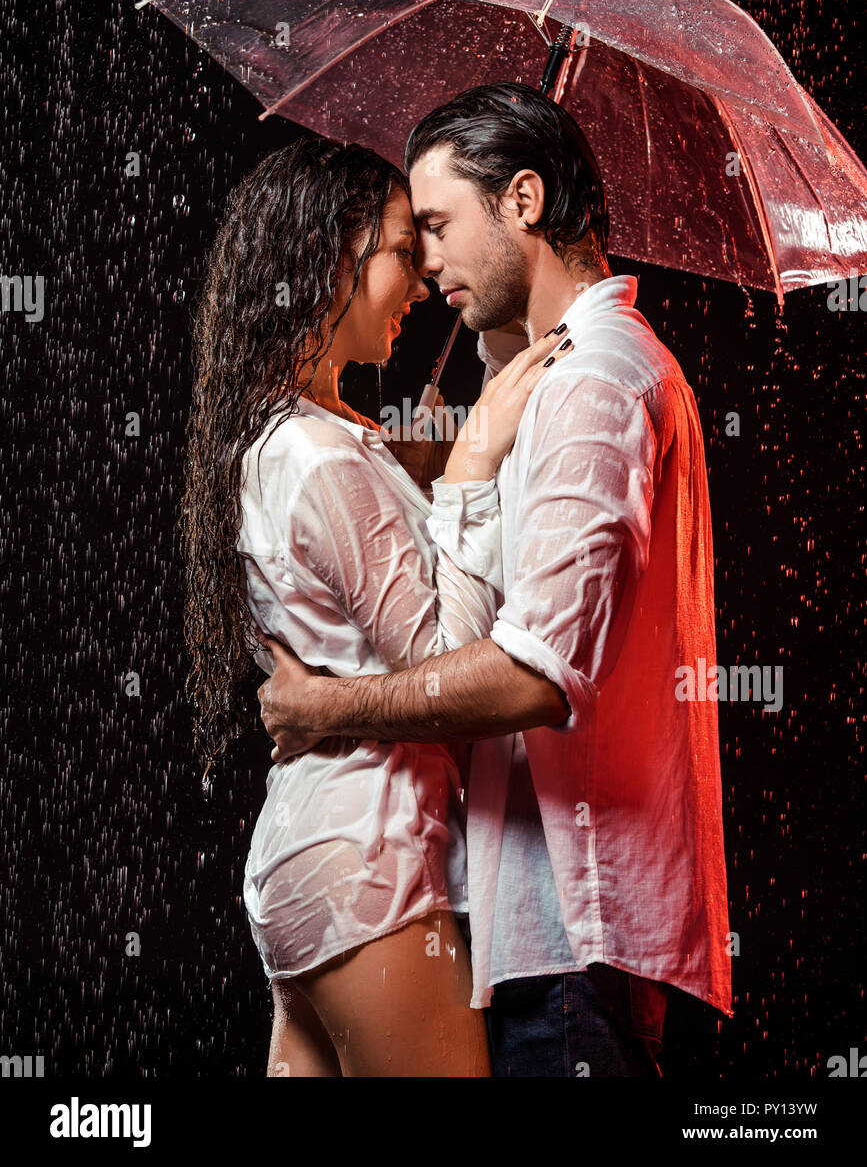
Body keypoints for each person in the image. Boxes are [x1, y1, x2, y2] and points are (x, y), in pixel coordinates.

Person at [256, 82, 734, 1078]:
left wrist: (329, 707)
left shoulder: (592, 386)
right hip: (543, 935)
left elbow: (534, 679)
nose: (424, 265)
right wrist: (456, 463)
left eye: (436, 226)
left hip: (574, 935)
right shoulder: (551, 378)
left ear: (522, 200)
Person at [180, 135, 571, 1077]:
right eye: (403, 248)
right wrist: (472, 466)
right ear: (331, 255)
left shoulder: (297, 432)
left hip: (313, 856)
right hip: (370, 864)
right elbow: (438, 661)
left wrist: (425, 479)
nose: (425, 277)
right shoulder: (316, 455)